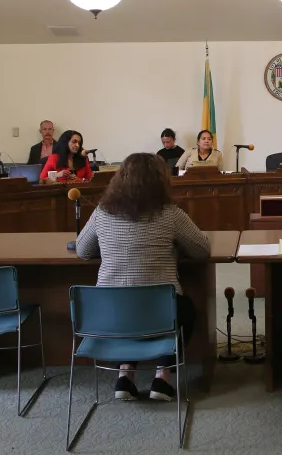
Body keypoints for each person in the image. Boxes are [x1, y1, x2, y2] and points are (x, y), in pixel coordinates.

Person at [75, 153, 210, 401]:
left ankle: (125, 376)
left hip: (108, 313)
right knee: (186, 310)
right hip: (160, 312)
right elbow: (202, 250)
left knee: (129, 309)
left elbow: (82, 250)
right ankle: (162, 377)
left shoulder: (102, 212)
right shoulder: (170, 214)